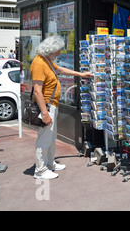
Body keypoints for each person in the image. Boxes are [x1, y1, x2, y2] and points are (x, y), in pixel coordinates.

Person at [31, 35, 93, 179]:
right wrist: (45, 113)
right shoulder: (39, 63)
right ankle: (40, 170)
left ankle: (50, 164)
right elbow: (37, 90)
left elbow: (61, 70)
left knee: (51, 137)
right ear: (51, 50)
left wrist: (81, 74)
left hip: (52, 104)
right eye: (58, 50)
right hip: (46, 105)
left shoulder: (46, 60)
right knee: (44, 138)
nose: (59, 53)